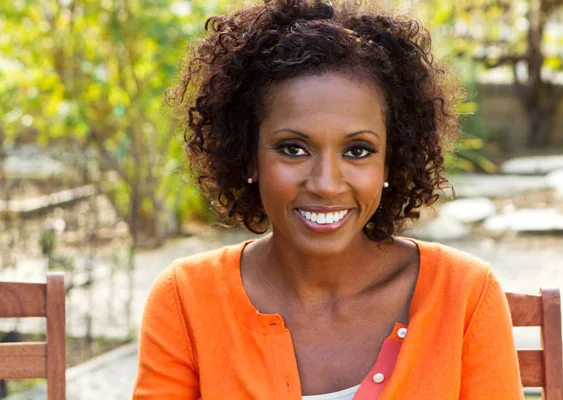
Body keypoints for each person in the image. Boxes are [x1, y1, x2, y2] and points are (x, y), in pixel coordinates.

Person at [133, 1, 523, 399]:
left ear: (391, 161)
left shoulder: (463, 294)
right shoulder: (187, 298)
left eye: (357, 151)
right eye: (293, 149)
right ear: (249, 156)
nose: (325, 184)